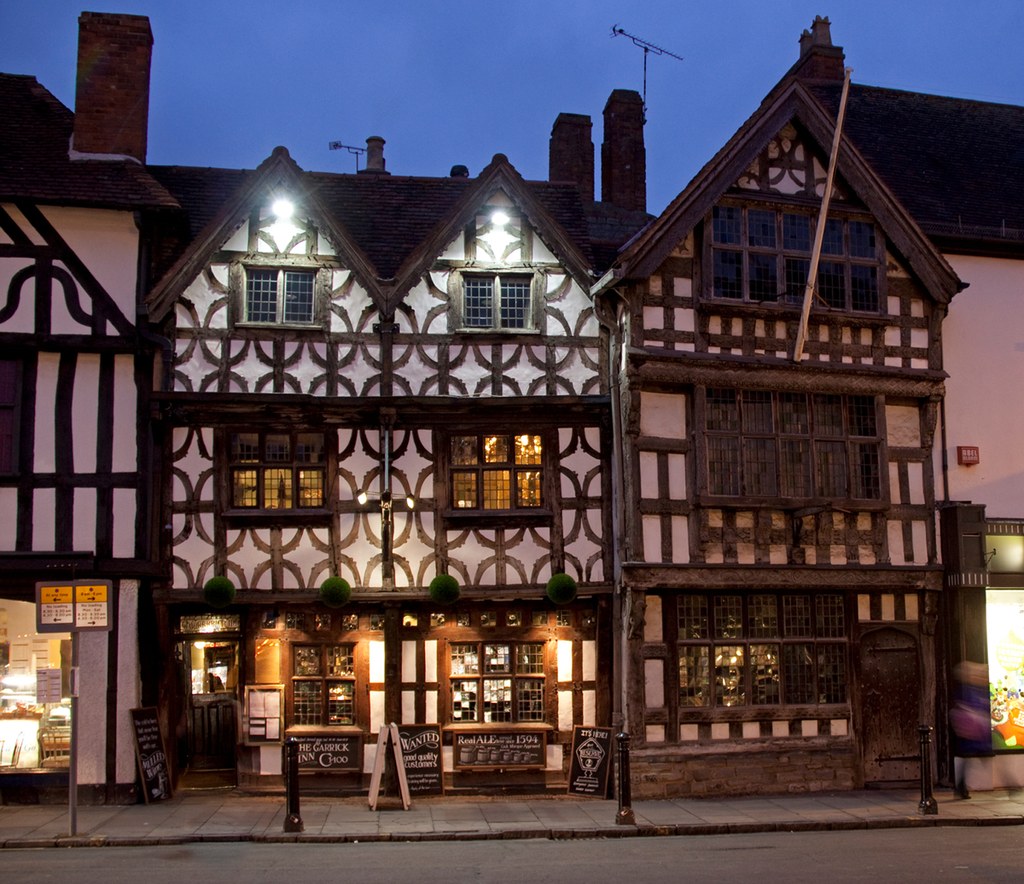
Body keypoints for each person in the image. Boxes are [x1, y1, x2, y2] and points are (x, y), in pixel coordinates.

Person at [951, 661, 990, 799]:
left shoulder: (970, 689)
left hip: (975, 731)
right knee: (970, 758)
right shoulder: (968, 690)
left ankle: (961, 787)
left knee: (968, 759)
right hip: (974, 731)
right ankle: (960, 787)